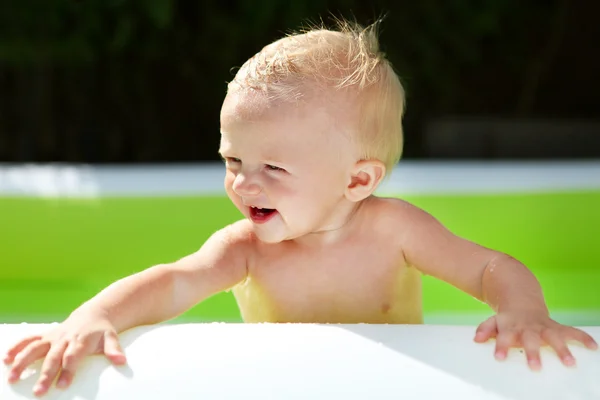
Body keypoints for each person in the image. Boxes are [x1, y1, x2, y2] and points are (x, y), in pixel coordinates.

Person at [3, 17, 597, 397]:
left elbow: (489, 267)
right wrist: (94, 315)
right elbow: (173, 283)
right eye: (233, 161)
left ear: (358, 180)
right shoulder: (245, 249)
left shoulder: (395, 230)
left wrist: (524, 310)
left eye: (273, 170)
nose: (244, 185)